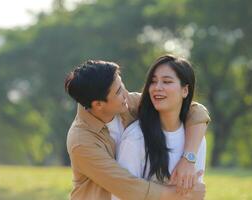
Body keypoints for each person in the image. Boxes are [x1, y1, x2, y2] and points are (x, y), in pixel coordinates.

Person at [64, 60, 210, 200]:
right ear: (98, 105)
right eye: (119, 91)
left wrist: (188, 159)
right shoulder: (81, 142)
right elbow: (128, 186)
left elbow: (194, 110)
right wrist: (183, 195)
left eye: (122, 85)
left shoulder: (126, 102)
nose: (126, 93)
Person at [113, 55, 208, 200]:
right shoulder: (136, 137)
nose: (157, 87)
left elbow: (195, 193)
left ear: (185, 90)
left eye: (167, 81)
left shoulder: (196, 140)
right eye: (153, 81)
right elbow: (120, 195)